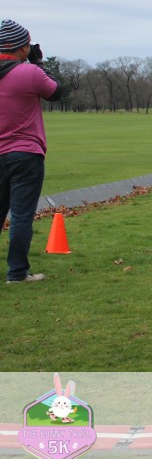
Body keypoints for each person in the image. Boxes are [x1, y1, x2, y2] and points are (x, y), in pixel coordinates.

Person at [0, 19, 63, 284]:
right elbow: (56, 91)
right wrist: (38, 63)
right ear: (22, 47)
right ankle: (17, 273)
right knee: (21, 216)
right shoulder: (29, 73)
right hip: (25, 153)